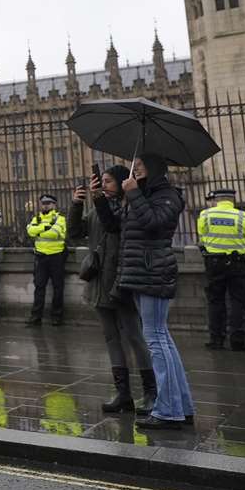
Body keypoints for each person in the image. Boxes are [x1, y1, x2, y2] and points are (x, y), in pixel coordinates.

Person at [118, 154, 195, 430]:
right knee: (162, 338)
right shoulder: (146, 194)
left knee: (156, 339)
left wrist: (135, 194)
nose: (135, 168)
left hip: (153, 272)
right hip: (142, 272)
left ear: (155, 169)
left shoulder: (168, 195)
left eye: (140, 165)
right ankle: (181, 406)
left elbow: (154, 224)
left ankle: (168, 410)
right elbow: (124, 227)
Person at [72, 165, 155, 414]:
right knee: (111, 339)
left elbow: (113, 225)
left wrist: (98, 199)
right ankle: (123, 393)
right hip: (99, 283)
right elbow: (75, 233)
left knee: (134, 337)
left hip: (121, 282)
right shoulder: (97, 209)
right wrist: (76, 205)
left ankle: (152, 392)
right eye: (101, 182)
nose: (103, 185)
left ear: (120, 183)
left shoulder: (127, 207)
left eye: (108, 182)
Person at [198, 187, 245, 352]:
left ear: (217, 200)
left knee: (215, 301)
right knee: (238, 301)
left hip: (214, 263)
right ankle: (238, 341)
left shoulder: (205, 215)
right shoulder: (243, 216)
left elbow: (202, 235)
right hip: (237, 263)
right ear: (232, 200)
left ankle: (216, 339)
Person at [24, 194, 68, 326]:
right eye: (43, 203)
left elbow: (55, 233)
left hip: (57, 256)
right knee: (39, 287)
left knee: (58, 287)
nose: (45, 205)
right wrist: (45, 228)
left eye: (48, 203)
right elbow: (30, 231)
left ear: (54, 205)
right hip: (41, 257)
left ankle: (57, 317)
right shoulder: (36, 218)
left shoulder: (59, 218)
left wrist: (38, 230)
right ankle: (36, 317)